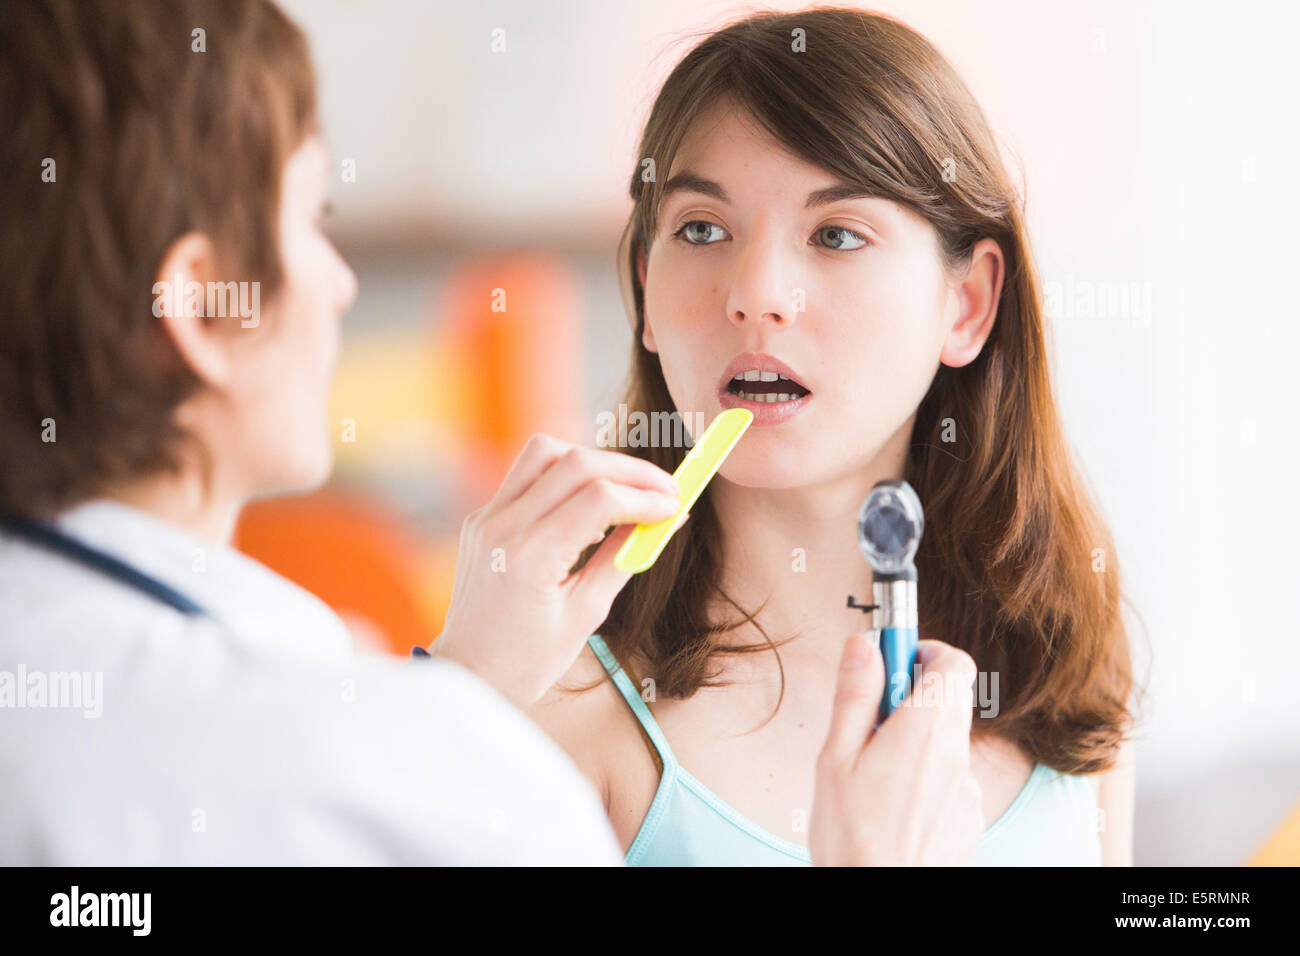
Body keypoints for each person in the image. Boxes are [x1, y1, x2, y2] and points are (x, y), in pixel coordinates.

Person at [0, 0, 984, 865]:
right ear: (205, 309)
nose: (342, 284)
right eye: (313, 218)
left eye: (838, 234)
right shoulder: (443, 780)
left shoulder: (354, 733)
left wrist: (447, 700)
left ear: (968, 303)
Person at [530, 8, 1139, 866]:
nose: (758, 295)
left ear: (966, 304)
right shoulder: (563, 712)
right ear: (644, 283)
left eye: (837, 234)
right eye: (702, 229)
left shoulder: (1070, 667)